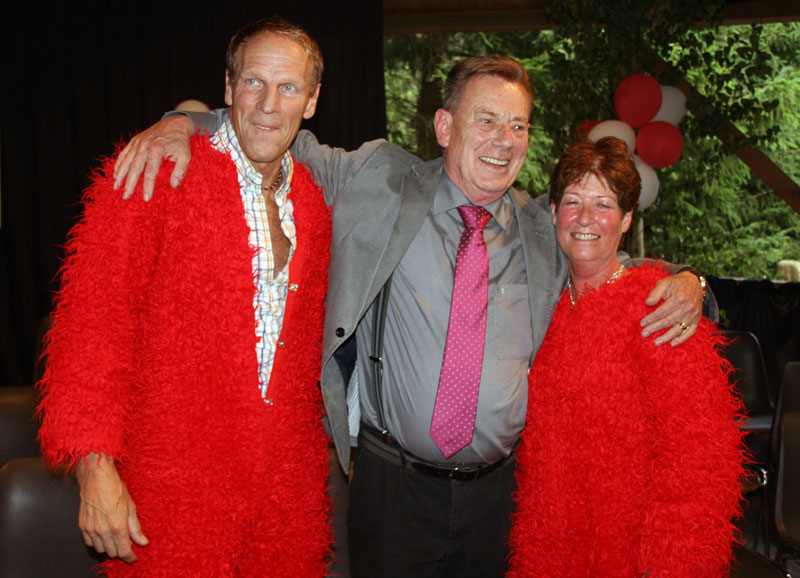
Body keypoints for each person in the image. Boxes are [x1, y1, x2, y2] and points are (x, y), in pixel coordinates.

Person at [114, 54, 709, 577]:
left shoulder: (537, 226)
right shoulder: (381, 180)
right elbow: (275, 128)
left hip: (502, 499)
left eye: (518, 125)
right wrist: (185, 122)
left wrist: (692, 283)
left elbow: (603, 247)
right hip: (392, 488)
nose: (505, 138)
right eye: (487, 120)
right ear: (445, 126)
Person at [37, 17, 333, 577]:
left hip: (283, 501)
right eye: (253, 82)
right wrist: (94, 469)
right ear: (228, 88)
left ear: (312, 101)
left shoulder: (315, 204)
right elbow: (90, 330)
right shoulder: (155, 171)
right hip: (170, 490)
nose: (269, 103)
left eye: (288, 87)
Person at [507, 137, 744, 578]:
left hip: (635, 556)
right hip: (552, 548)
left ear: (627, 217)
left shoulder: (660, 306)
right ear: (554, 213)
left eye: (604, 205)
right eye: (573, 202)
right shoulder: (543, 310)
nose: (585, 219)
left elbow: (699, 467)